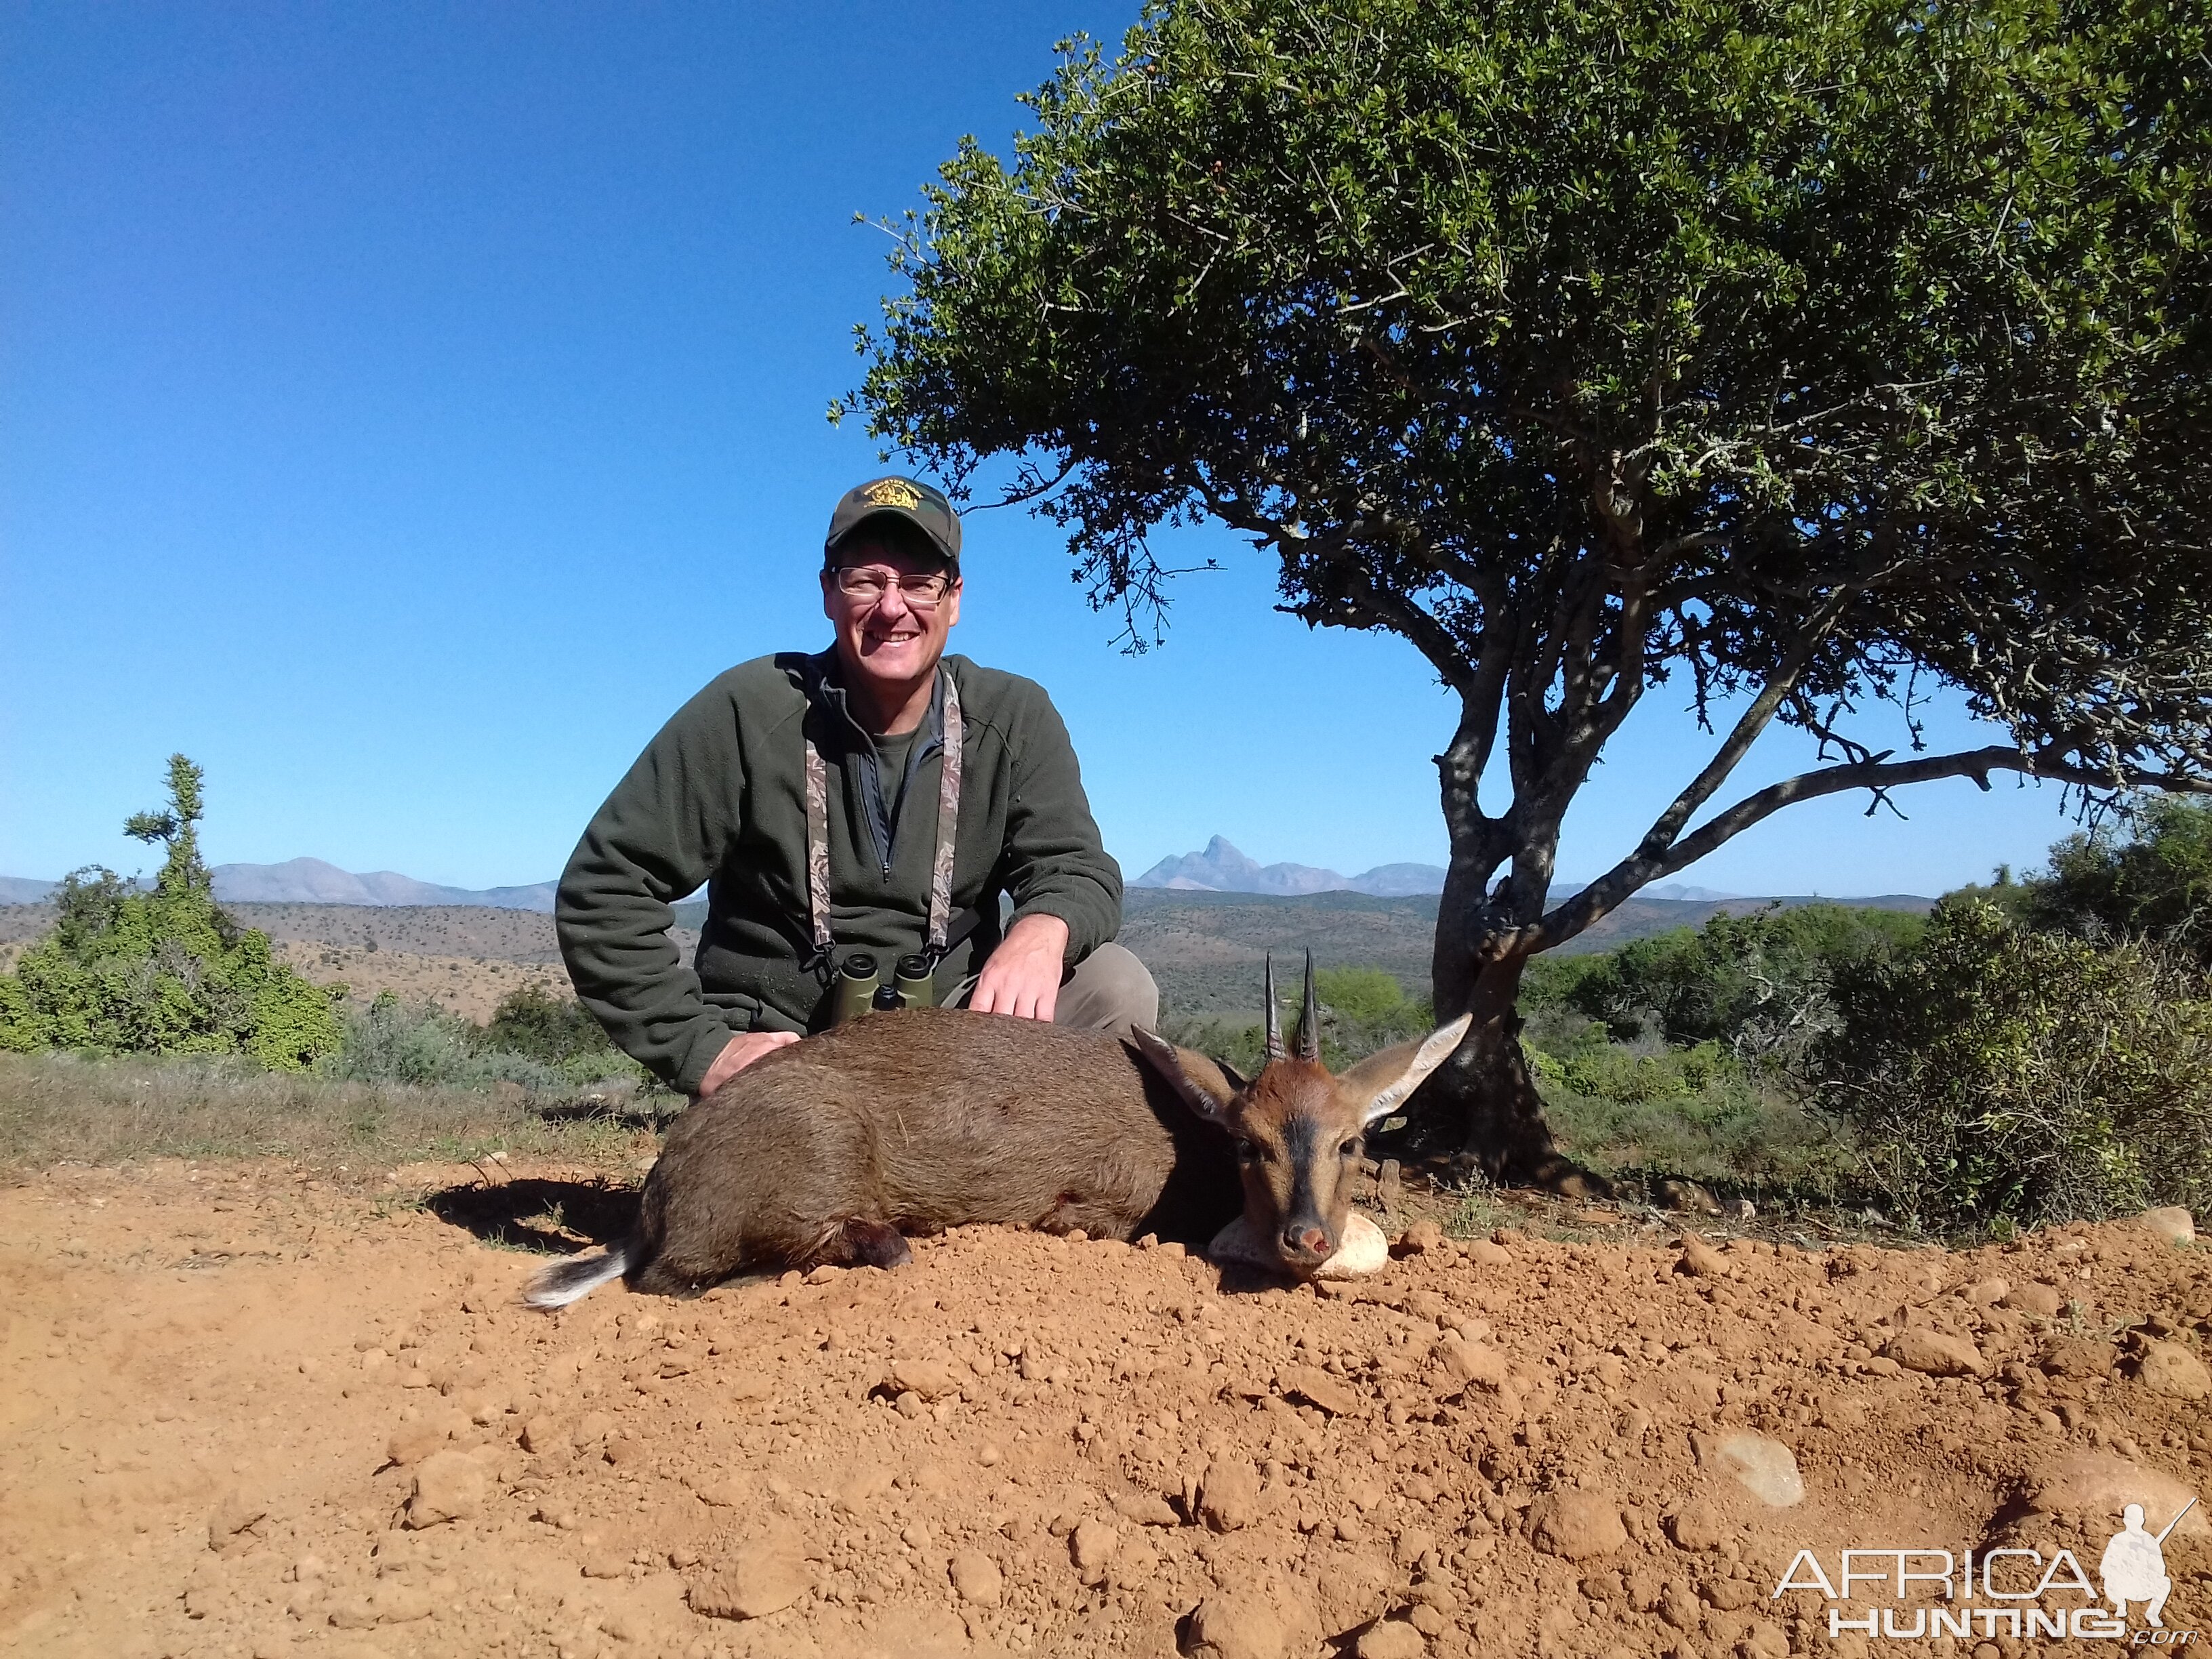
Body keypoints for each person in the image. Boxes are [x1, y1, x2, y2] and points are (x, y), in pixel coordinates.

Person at [556, 474, 1158, 1101]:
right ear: (828, 593)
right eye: (866, 579)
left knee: (1116, 988)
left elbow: (1078, 868)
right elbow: (606, 888)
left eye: (919, 583)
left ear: (954, 600)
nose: (892, 607)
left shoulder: (1012, 716)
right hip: (785, 1053)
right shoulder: (748, 709)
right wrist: (702, 1049)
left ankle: (1022, 1179)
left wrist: (1043, 928)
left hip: (960, 1033)